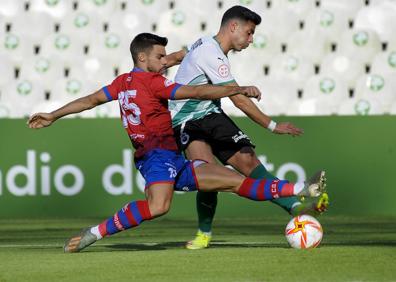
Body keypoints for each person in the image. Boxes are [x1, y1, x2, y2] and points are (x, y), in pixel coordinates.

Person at [28, 33, 326, 253]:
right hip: (154, 158)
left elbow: (90, 100)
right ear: (142, 58)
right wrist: (236, 89)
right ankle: (94, 233)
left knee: (234, 181)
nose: (164, 62)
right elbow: (196, 93)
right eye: (160, 57)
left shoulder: (122, 82)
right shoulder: (154, 82)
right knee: (158, 207)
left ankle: (299, 188)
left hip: (173, 158)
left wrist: (54, 114)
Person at [169, 5, 329, 250]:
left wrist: (166, 61)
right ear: (233, 27)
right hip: (187, 120)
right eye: (249, 32)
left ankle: (297, 208)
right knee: (208, 174)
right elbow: (239, 98)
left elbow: (185, 53)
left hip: (211, 113)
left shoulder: (205, 44)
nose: (251, 39)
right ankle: (204, 233)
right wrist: (273, 125)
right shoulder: (212, 55)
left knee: (251, 164)